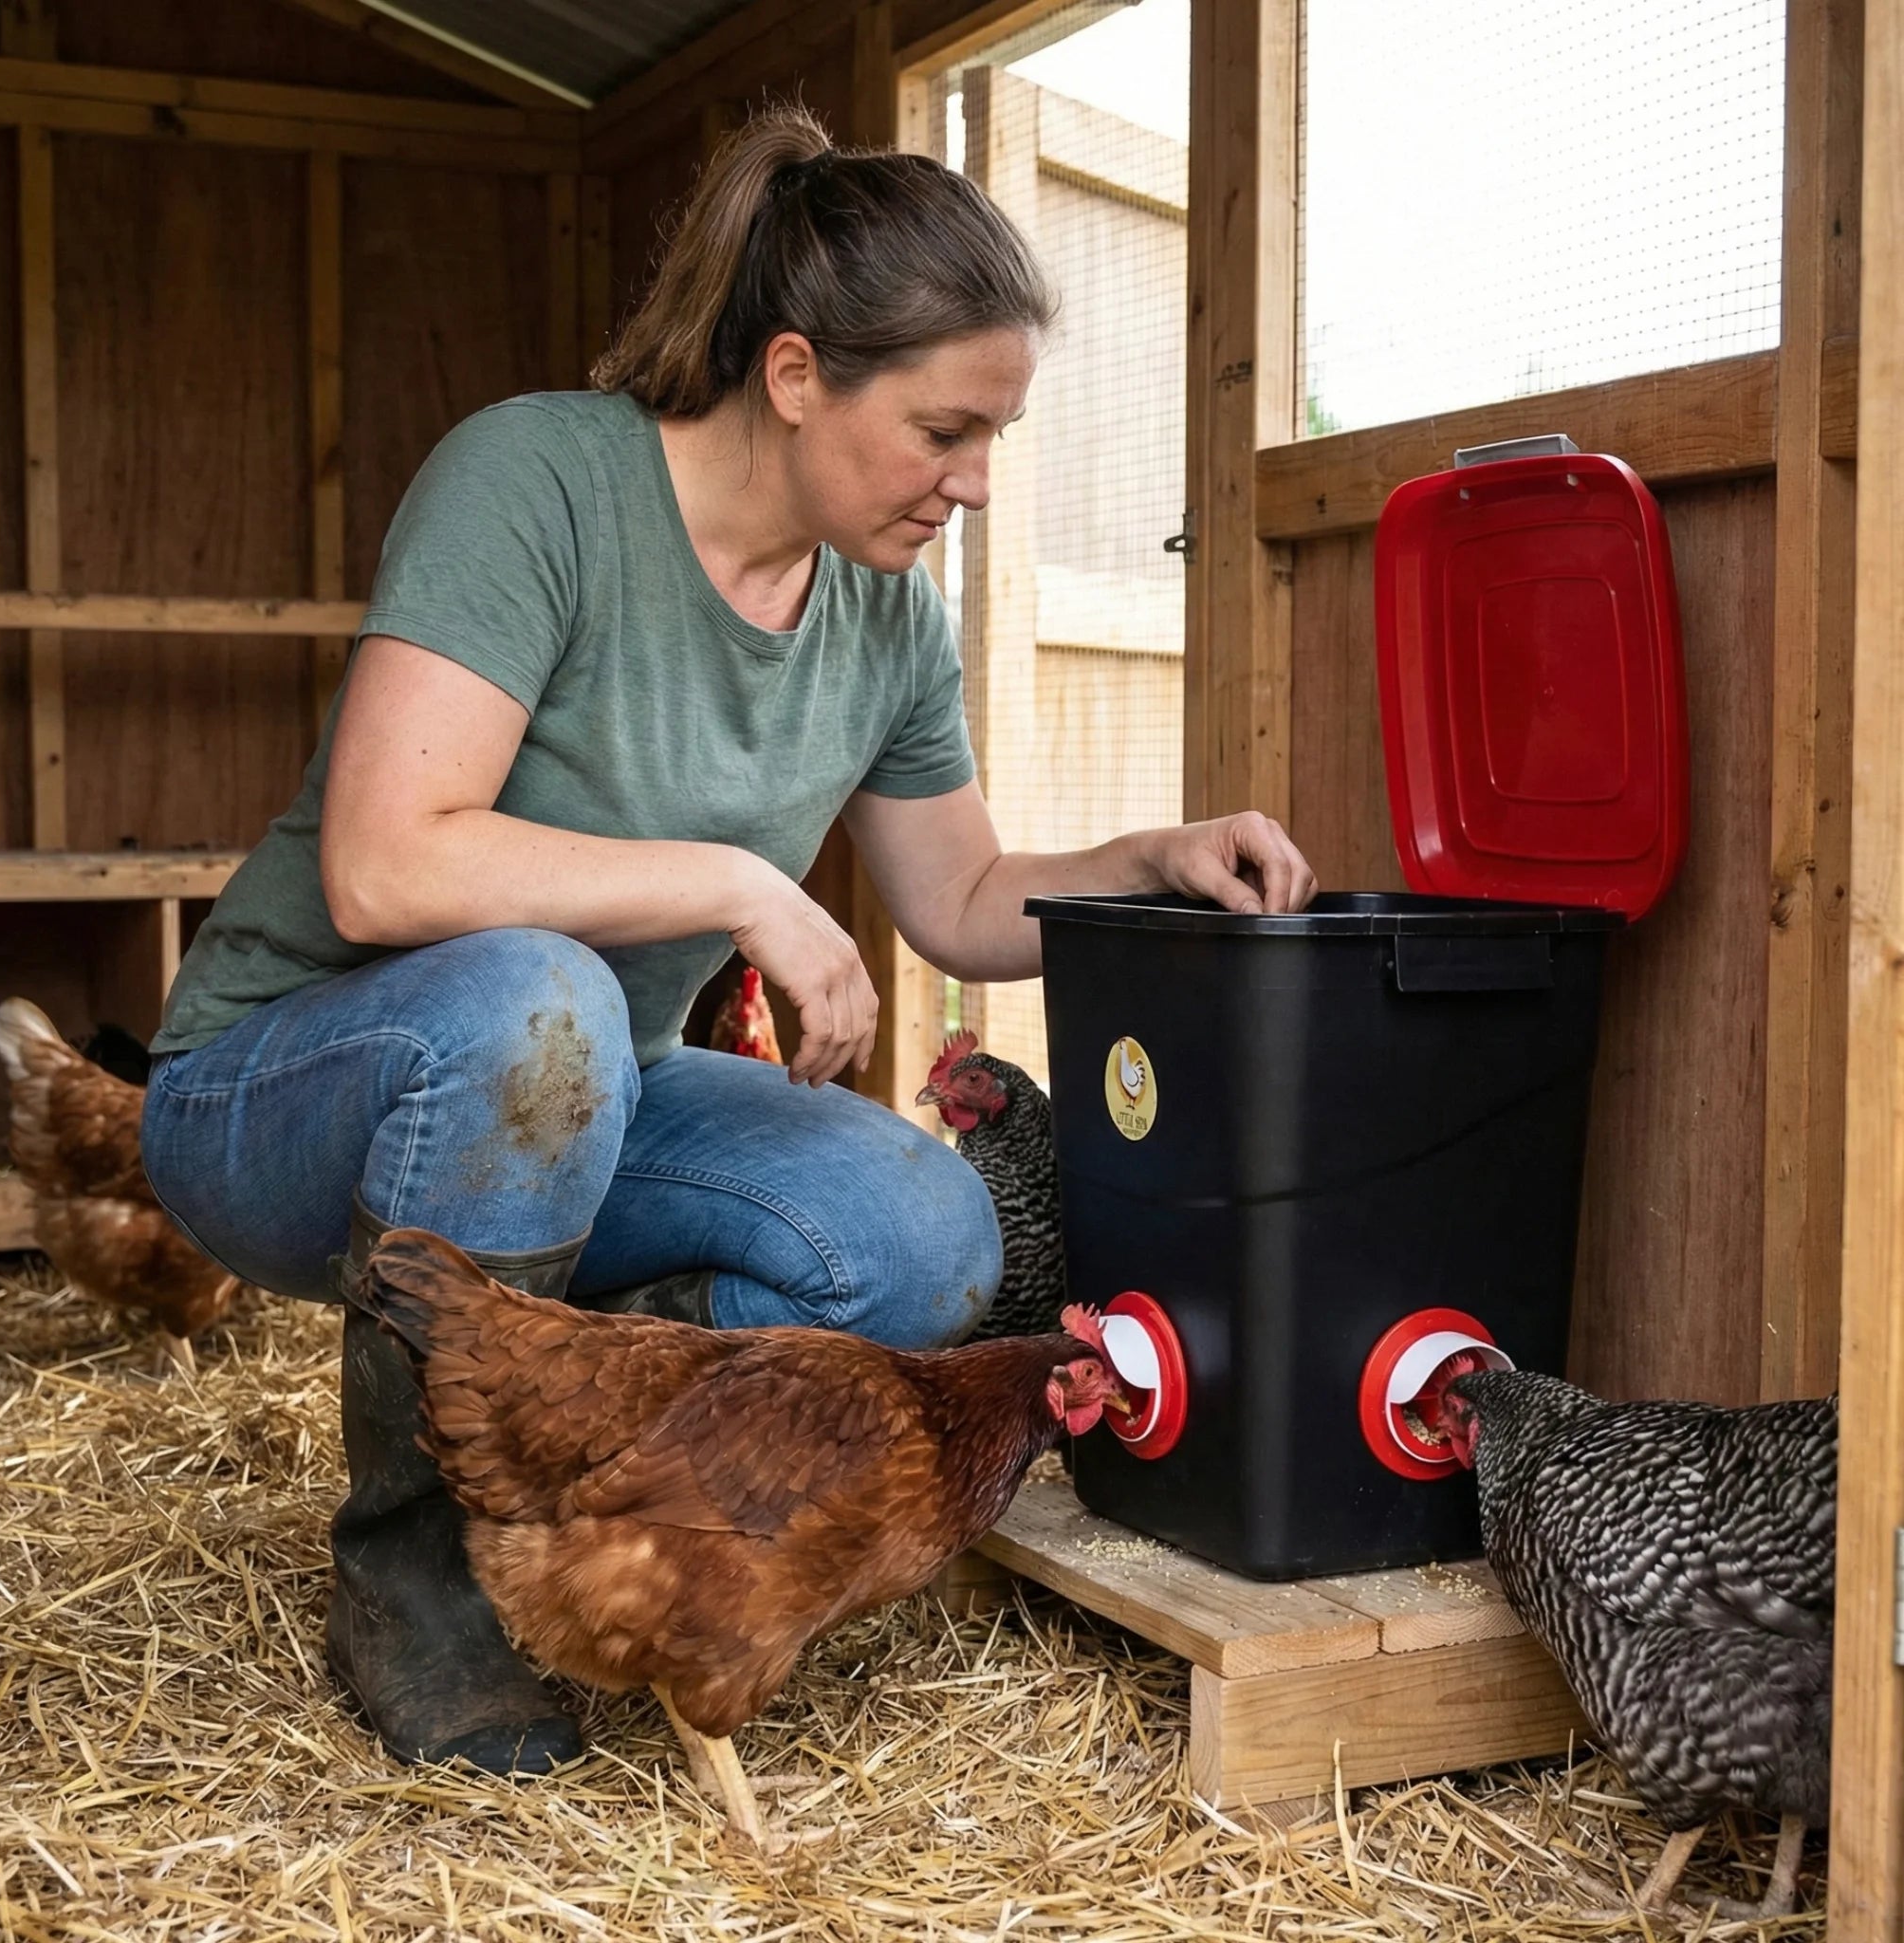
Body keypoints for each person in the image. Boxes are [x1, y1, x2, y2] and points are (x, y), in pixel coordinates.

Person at [139, 107, 1317, 1778]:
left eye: (996, 435)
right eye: (944, 430)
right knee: (529, 1002)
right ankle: (416, 1592)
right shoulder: (539, 480)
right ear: (789, 375)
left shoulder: (885, 613)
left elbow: (966, 902)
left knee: (919, 1235)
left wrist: (1154, 860)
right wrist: (738, 884)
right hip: (281, 1095)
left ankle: (584, 1474)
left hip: (583, 1101)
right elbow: (386, 870)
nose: (974, 482)